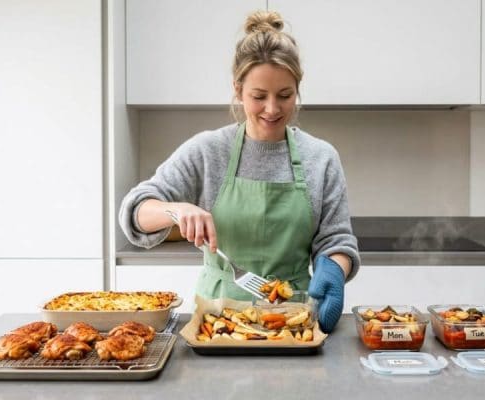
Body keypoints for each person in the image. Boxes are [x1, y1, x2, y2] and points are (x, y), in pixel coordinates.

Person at [118, 10, 359, 333]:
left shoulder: (321, 157)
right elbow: (135, 213)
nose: (272, 109)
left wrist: (333, 269)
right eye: (258, 96)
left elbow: (337, 240)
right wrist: (175, 210)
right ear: (238, 89)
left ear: (297, 89)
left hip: (294, 322)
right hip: (217, 324)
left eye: (284, 95)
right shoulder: (208, 151)